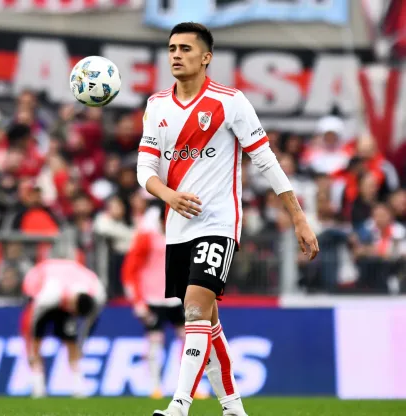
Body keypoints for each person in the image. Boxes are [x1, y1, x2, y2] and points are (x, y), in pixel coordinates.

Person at [137, 23, 319, 416]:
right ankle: (233, 406)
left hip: (219, 223)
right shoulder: (156, 105)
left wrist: (298, 218)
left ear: (206, 57)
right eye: (171, 48)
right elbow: (144, 168)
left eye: (185, 48)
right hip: (177, 225)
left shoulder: (230, 101)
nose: (176, 54)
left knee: (195, 309)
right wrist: (168, 194)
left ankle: (179, 405)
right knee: (208, 321)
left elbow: (266, 160)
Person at [121, 206, 186, 399]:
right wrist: (137, 302)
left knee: (188, 340)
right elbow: (129, 271)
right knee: (155, 342)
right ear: (160, 221)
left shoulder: (183, 237)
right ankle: (156, 386)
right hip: (152, 298)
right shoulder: (147, 238)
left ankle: (189, 386)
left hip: (175, 298)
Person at [20, 258, 106, 398]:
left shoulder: (97, 292)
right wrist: (29, 346)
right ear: (72, 304)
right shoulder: (48, 295)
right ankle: (38, 384)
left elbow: (89, 322)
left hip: (67, 281)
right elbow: (33, 319)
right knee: (36, 343)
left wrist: (82, 343)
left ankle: (78, 385)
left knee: (72, 343)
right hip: (39, 284)